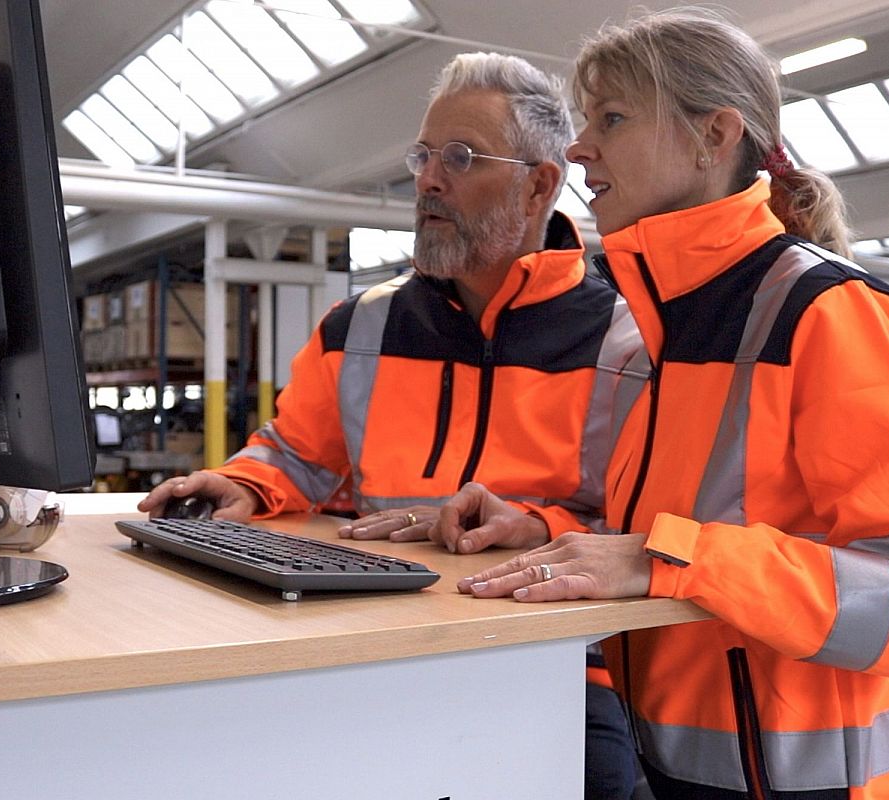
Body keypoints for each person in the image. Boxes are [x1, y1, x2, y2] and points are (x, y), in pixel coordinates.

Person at [444, 8, 889, 800]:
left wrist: (673, 560)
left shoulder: (831, 314)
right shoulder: (646, 335)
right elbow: (659, 535)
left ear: (714, 135)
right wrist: (542, 526)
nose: (579, 147)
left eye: (611, 118)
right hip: (677, 773)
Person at [138, 52, 647, 799]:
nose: (428, 180)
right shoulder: (360, 327)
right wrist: (244, 482)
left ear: (540, 184)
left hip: (556, 660)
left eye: (460, 158)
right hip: (371, 644)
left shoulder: (626, 343)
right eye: (423, 156)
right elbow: (295, 454)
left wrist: (536, 525)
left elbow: (646, 530)